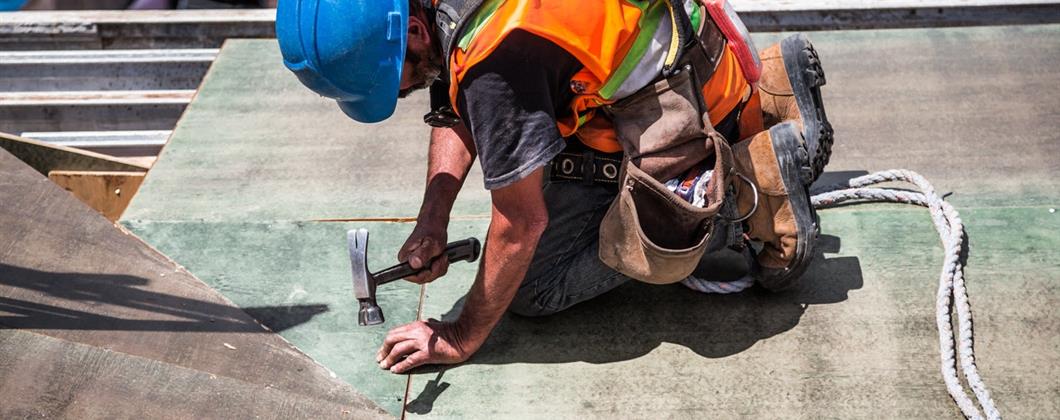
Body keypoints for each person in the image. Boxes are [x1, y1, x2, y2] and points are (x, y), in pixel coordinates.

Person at [277, 0, 833, 373]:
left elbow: (521, 224)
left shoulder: (496, 62)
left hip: (682, 111)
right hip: (697, 53)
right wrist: (433, 219)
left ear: (415, 31)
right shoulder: (446, 13)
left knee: (532, 288)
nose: (396, 95)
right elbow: (452, 95)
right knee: (526, 150)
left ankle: (746, 193)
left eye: (390, 78)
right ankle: (772, 89)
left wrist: (460, 335)